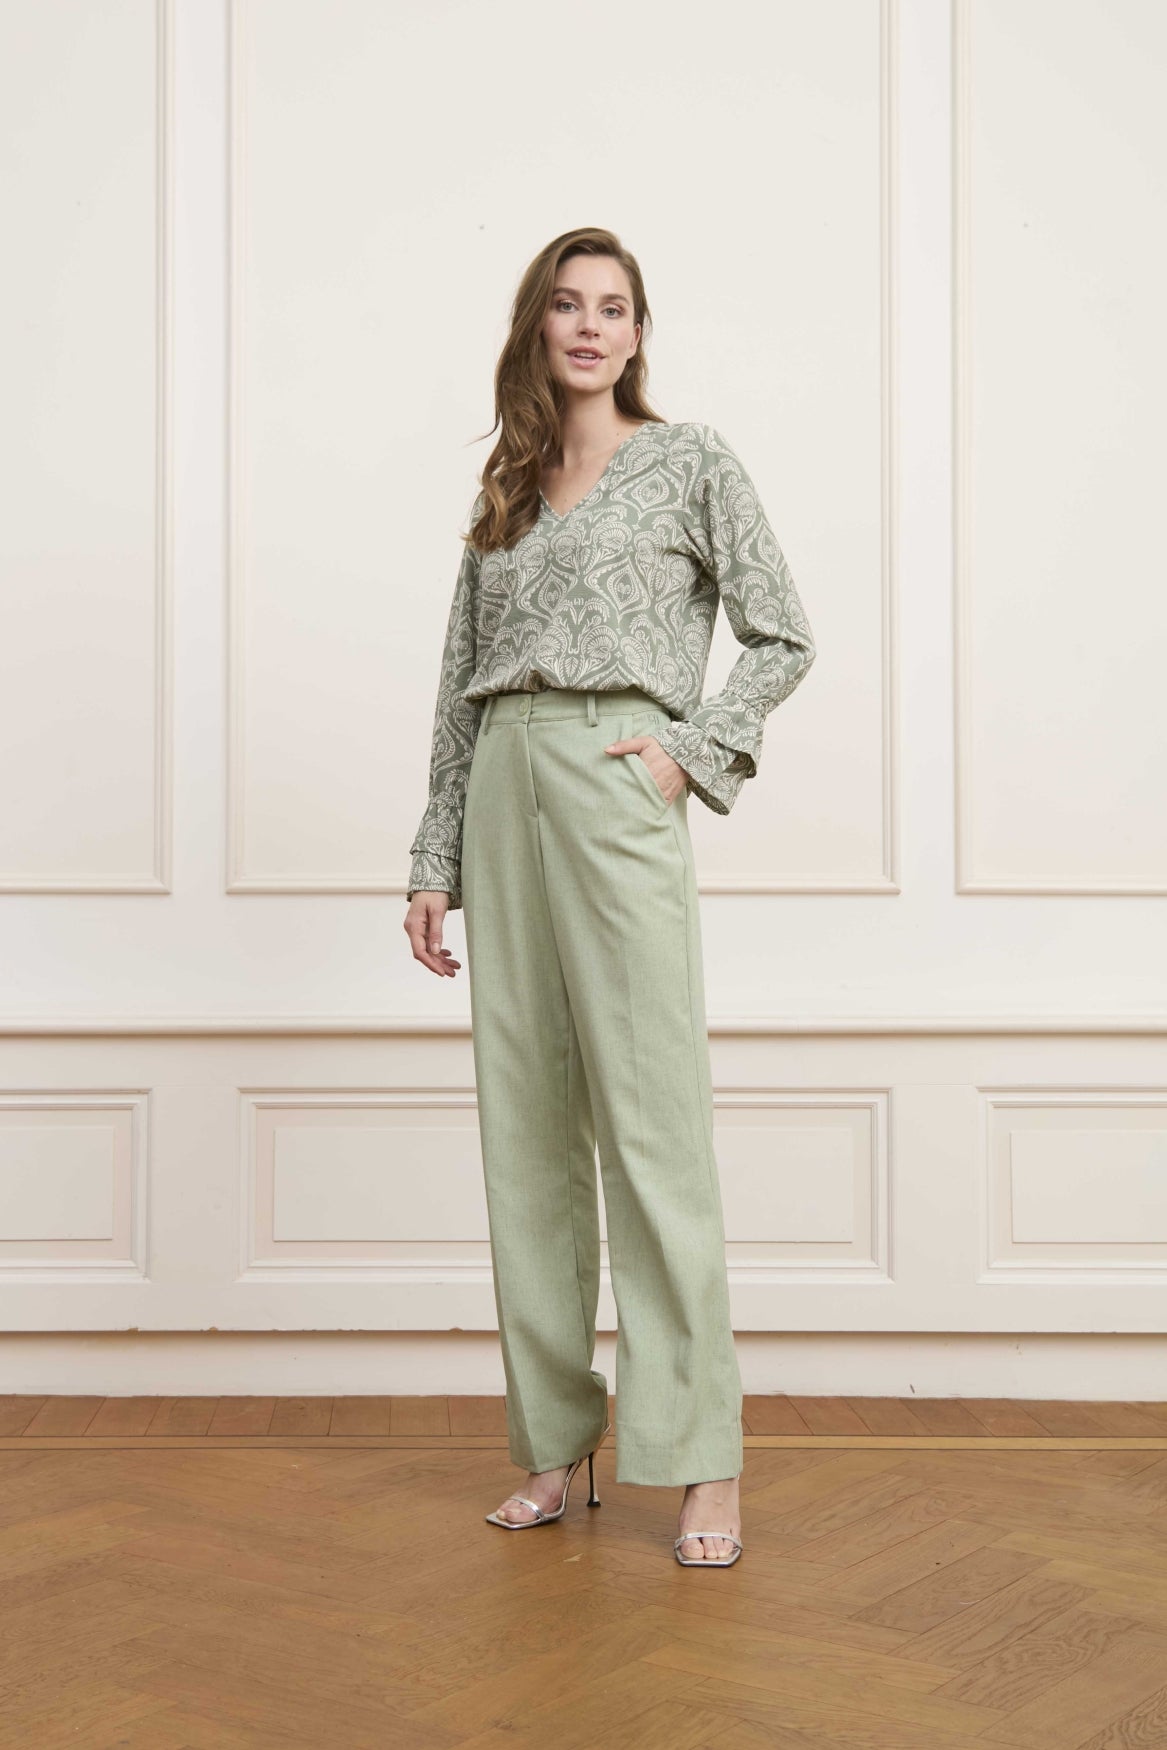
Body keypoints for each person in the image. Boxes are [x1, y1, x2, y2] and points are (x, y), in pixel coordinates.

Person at [404, 227, 816, 1567]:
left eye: (616, 308)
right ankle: (552, 1438)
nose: (591, 326)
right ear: (538, 325)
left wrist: (691, 752)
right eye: (569, 305)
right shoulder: (507, 488)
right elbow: (457, 683)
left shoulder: (691, 460)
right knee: (525, 1128)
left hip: (617, 775)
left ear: (639, 333)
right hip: (504, 778)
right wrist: (433, 856)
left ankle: (702, 1457)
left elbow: (784, 631)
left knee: (653, 1125)